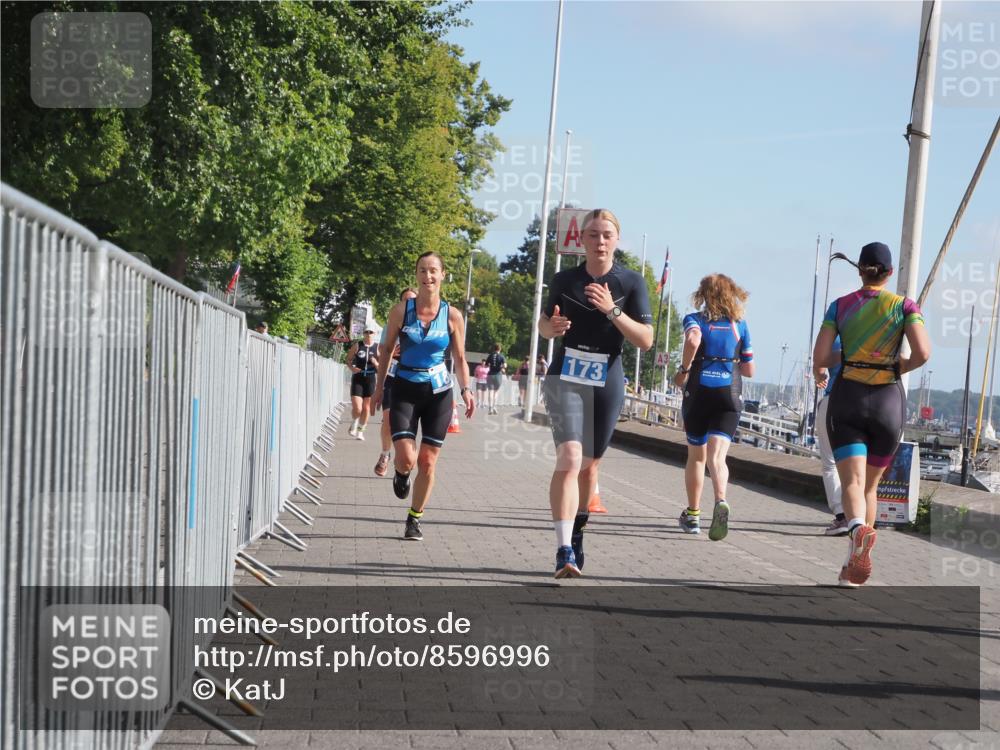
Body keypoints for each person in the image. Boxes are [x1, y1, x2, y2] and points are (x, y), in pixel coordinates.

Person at [539, 208, 653, 578]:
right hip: (566, 375)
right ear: (582, 240)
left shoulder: (631, 282)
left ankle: (578, 530)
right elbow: (543, 324)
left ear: (617, 239)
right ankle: (563, 550)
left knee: (589, 468)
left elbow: (646, 341)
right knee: (570, 459)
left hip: (607, 377)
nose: (600, 241)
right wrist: (551, 327)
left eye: (606, 235)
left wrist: (612, 311)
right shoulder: (564, 279)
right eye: (593, 235)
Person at [813, 242, 929, 586]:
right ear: (890, 273)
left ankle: (856, 529)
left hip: (848, 396)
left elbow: (820, 356)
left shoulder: (840, 306)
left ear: (860, 270)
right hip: (888, 402)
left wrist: (845, 356)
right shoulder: (904, 306)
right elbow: (923, 351)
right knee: (871, 488)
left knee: (851, 481)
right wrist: (902, 363)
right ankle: (853, 567)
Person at [373, 252, 475, 542]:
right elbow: (385, 351)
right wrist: (379, 388)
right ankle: (401, 473)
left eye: (433, 271)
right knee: (407, 458)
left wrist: (466, 390)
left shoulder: (452, 315)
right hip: (404, 386)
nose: (428, 276)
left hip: (439, 393)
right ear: (416, 275)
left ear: (443, 275)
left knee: (428, 462)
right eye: (422, 271)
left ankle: (414, 518)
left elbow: (460, 357)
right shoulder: (400, 311)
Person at [673, 274, 755, 541]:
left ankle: (693, 516)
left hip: (699, 392)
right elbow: (749, 369)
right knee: (717, 457)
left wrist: (684, 370)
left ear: (703, 294)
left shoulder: (694, 319)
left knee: (696, 457)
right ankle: (720, 500)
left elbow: (693, 341)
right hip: (729, 394)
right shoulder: (740, 325)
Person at [374, 288, 418, 477]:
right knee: (389, 418)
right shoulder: (391, 323)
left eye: (413, 301)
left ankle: (404, 463)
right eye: (405, 301)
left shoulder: (426, 325)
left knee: (409, 424)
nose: (409, 305)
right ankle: (385, 454)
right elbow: (382, 351)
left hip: (416, 378)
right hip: (393, 376)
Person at [813, 336, 848, 536]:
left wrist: (820, 377)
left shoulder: (833, 337)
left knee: (831, 463)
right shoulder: (874, 332)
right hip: (866, 401)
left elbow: (819, 365)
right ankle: (862, 516)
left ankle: (842, 515)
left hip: (835, 398)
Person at [346, 327, 380, 440]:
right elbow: (348, 359)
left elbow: (382, 368)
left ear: (375, 334)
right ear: (363, 333)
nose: (369, 334)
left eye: (371, 332)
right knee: (358, 408)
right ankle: (355, 421)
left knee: (366, 409)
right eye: (366, 332)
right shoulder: (357, 345)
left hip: (370, 379)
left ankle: (360, 431)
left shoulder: (378, 347)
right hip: (358, 378)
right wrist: (352, 368)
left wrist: (376, 364)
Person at [484, 343, 506, 414]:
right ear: (500, 349)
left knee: (490, 391)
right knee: (496, 392)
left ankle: (490, 408)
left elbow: (486, 365)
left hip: (490, 375)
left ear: (494, 348)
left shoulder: (490, 356)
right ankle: (494, 407)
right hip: (498, 375)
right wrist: (502, 368)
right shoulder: (501, 356)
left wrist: (490, 365)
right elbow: (505, 365)